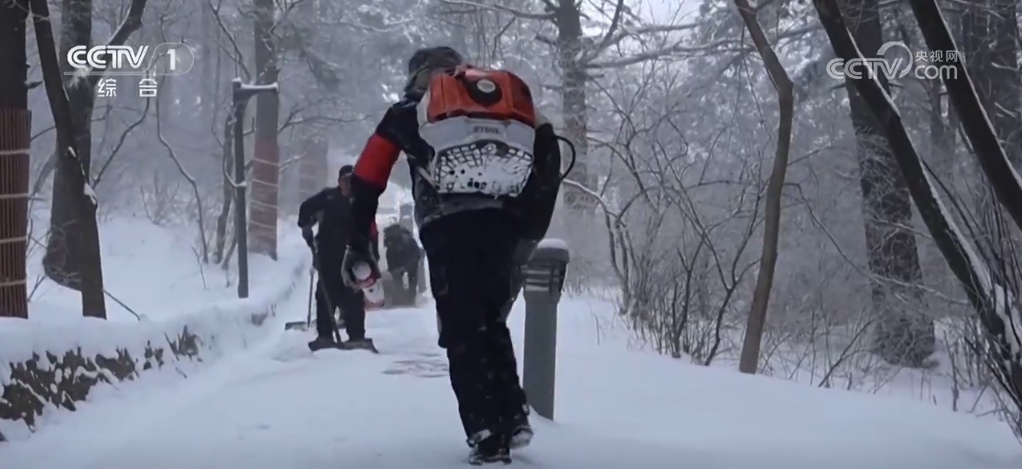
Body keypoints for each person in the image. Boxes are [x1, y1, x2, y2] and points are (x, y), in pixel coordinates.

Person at [339, 46, 563, 464]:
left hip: (447, 228)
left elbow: (369, 176)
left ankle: (485, 432)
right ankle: (513, 415)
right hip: (501, 224)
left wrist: (358, 241)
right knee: (490, 319)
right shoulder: (495, 103)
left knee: (461, 327)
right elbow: (548, 154)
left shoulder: (410, 111)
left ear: (416, 76)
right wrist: (527, 227)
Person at [297, 165, 378, 352]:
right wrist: (306, 226)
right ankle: (325, 335)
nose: (348, 184)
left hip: (354, 259)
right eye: (345, 180)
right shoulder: (328, 198)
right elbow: (305, 209)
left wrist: (373, 256)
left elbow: (372, 231)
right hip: (328, 255)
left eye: (352, 180)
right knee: (326, 294)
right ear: (339, 181)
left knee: (354, 296)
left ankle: (356, 336)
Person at [382, 223, 422, 305]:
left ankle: (410, 297)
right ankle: (400, 297)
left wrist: (405, 268)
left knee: (412, 276)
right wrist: (394, 270)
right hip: (399, 261)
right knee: (397, 277)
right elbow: (390, 260)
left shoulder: (410, 242)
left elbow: (415, 257)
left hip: (410, 260)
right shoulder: (391, 246)